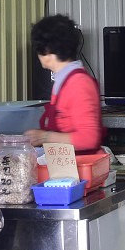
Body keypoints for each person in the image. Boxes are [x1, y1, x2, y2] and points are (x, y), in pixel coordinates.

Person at [24, 14, 106, 155]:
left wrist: (44, 137)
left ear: (47, 51)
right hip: (67, 168)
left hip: (81, 171)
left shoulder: (79, 84)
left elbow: (89, 138)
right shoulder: (63, 81)